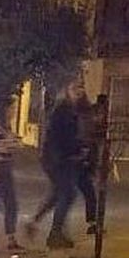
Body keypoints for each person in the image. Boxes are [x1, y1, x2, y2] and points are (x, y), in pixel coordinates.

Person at [26, 80, 84, 249]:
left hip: (59, 159)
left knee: (59, 193)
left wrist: (78, 149)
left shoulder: (69, 109)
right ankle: (55, 233)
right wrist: (76, 151)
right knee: (68, 193)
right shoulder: (63, 110)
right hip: (57, 160)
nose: (79, 92)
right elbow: (62, 137)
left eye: (81, 88)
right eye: (76, 88)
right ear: (68, 90)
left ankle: (35, 222)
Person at [0, 118, 23, 251]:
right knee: (4, 203)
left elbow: (18, 144)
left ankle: (11, 238)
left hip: (4, 166)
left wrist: (12, 141)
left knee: (9, 204)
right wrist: (12, 141)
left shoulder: (5, 129)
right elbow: (6, 145)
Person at [75, 94, 100, 234]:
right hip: (79, 164)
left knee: (63, 196)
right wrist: (86, 160)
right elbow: (86, 142)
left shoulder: (83, 119)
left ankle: (92, 223)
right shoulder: (85, 120)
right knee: (88, 194)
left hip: (80, 164)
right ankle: (92, 223)